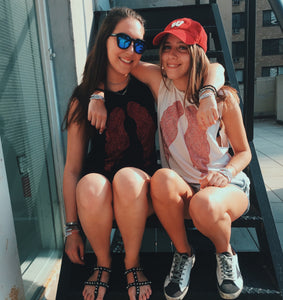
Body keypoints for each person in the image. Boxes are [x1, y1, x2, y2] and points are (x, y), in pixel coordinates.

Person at [63, 7, 225, 300]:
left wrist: (208, 91)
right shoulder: (82, 99)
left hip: (141, 188)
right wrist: (71, 230)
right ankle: (103, 263)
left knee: (126, 179)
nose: (131, 51)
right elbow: (72, 169)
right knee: (88, 183)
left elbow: (213, 67)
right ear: (105, 40)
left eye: (138, 44)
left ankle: (132, 264)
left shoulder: (150, 81)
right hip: (97, 197)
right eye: (123, 40)